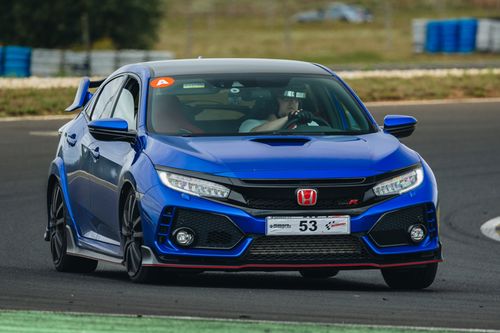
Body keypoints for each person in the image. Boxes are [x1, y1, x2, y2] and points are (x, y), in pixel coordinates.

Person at [239, 86, 317, 133]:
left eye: (296, 100)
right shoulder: (251, 124)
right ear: (273, 103)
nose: (292, 103)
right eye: (286, 99)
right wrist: (289, 118)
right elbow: (254, 134)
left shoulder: (310, 124)